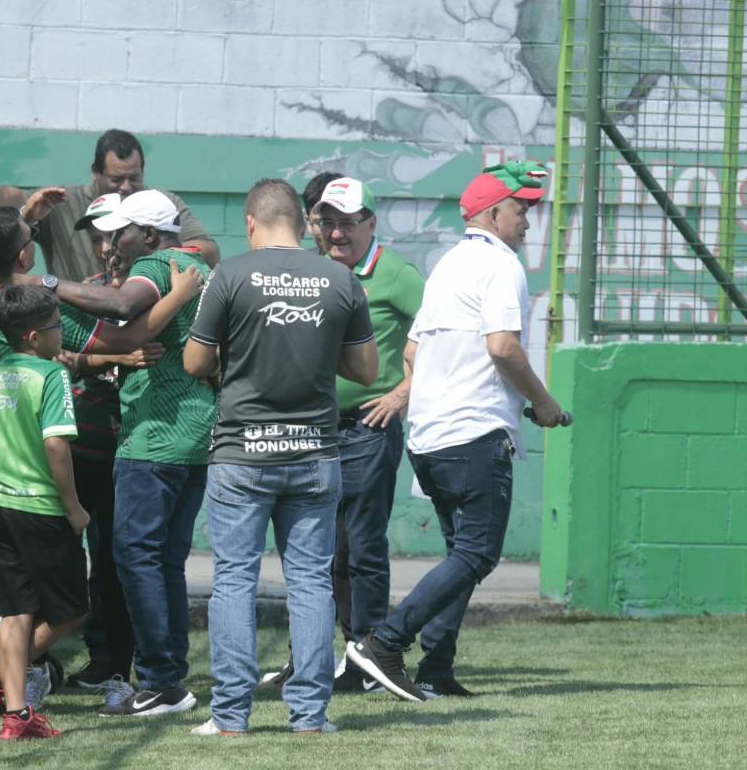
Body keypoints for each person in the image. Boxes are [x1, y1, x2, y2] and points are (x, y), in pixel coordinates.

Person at [0, 199, 203, 735]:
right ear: (25, 254)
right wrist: (177, 296)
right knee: (2, 588)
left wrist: (24, 217)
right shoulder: (34, 307)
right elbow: (128, 337)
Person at [347, 160, 564, 702]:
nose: (528, 221)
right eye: (521, 209)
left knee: (459, 554)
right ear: (493, 214)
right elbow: (503, 347)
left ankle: (436, 668)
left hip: (429, 437)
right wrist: (543, 402)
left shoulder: (447, 264)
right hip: (473, 435)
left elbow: (416, 350)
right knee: (477, 554)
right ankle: (384, 644)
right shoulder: (500, 265)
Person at [182, 179, 378, 736]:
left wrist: (238, 357)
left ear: (251, 222)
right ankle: (310, 717)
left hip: (242, 454)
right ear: (304, 222)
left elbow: (195, 362)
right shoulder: (341, 279)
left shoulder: (230, 276)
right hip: (315, 452)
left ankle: (230, 718)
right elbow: (366, 371)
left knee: (235, 581)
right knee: (313, 582)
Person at [27, 189, 216, 717]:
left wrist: (41, 281)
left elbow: (123, 309)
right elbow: (123, 334)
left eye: (121, 232)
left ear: (148, 236)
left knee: (133, 556)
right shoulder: (195, 270)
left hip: (152, 439)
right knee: (163, 562)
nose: (110, 243)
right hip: (192, 436)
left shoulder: (156, 266)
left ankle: (157, 680)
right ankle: (167, 678)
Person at [261, 178, 425, 693]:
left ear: (371, 224)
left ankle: (367, 657)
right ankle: (306, 658)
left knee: (361, 546)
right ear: (312, 224)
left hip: (366, 430)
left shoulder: (396, 275)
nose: (337, 233)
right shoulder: (309, 271)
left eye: (348, 223)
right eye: (327, 222)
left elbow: (445, 337)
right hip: (307, 428)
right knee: (310, 549)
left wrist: (403, 393)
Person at [0, 285, 91, 741]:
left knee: (16, 610)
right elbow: (55, 445)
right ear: (31, 338)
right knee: (72, 611)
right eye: (56, 326)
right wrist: (73, 507)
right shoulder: (50, 376)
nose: (62, 333)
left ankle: (16, 714)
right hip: (39, 508)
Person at [58, 193, 144, 697]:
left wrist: (126, 356)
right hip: (78, 447)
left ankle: (119, 662)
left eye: (112, 235)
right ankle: (87, 658)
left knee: (118, 560)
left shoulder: (151, 294)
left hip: (131, 448)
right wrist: (113, 358)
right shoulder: (82, 293)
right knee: (69, 558)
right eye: (97, 236)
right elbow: (60, 354)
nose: (104, 246)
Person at [0, 128, 219, 280]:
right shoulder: (62, 204)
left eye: (134, 178)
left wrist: (152, 262)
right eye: (117, 179)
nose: (126, 187)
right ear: (96, 171)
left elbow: (208, 251)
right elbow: (13, 204)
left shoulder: (161, 203)